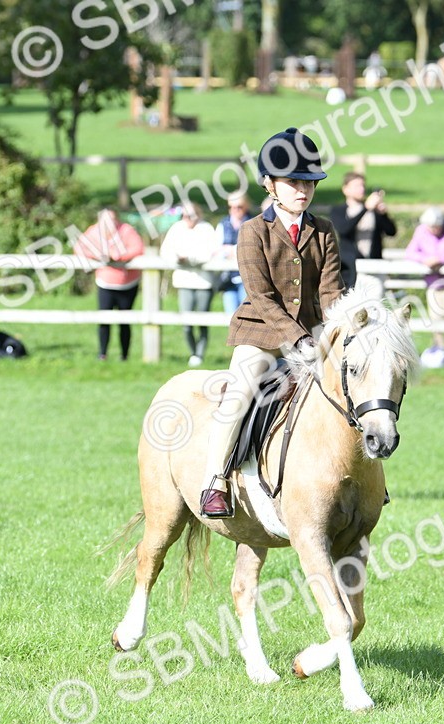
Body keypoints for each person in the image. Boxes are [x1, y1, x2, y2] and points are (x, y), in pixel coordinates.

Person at [199, 127, 344, 518]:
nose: (303, 190)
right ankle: (214, 480)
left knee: (350, 387)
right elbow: (262, 297)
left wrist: (342, 330)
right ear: (269, 184)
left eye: (309, 182)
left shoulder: (325, 231)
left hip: (314, 336)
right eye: (293, 182)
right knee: (241, 390)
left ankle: (361, 481)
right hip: (262, 333)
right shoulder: (252, 232)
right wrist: (297, 339)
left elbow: (331, 292)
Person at [74, 208, 145, 361]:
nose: (110, 224)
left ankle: (124, 356)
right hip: (105, 283)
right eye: (106, 221)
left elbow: (138, 248)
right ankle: (102, 354)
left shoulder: (126, 231)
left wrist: (118, 256)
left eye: (112, 220)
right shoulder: (94, 232)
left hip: (127, 284)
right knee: (104, 320)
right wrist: (97, 256)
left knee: (124, 321)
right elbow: (79, 247)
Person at [405, 206, 444, 369]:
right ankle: (440, 354)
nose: (433, 230)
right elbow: (410, 252)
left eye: (435, 227)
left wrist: (440, 259)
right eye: (430, 227)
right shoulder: (421, 231)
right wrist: (425, 259)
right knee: (435, 320)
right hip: (433, 282)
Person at [162, 201, 219, 367]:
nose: (187, 218)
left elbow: (211, 252)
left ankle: (200, 354)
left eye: (191, 215)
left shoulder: (206, 228)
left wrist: (191, 259)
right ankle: (193, 352)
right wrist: (178, 259)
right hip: (184, 281)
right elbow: (166, 251)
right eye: (185, 215)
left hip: (204, 282)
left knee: (202, 320)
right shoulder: (176, 228)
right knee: (186, 322)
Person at [330, 171, 396, 290]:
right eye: (356, 186)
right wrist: (365, 208)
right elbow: (344, 230)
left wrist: (383, 214)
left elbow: (391, 232)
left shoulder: (373, 210)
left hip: (374, 265)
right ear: (345, 189)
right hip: (349, 267)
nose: (361, 189)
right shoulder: (338, 210)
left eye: (363, 186)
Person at [214, 191, 253, 315]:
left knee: (246, 316)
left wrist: (230, 249)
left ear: (246, 206)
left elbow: (252, 250)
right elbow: (216, 250)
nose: (235, 210)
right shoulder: (223, 224)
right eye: (231, 207)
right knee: (231, 317)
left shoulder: (254, 223)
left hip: (248, 278)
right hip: (228, 279)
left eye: (239, 206)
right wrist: (236, 250)